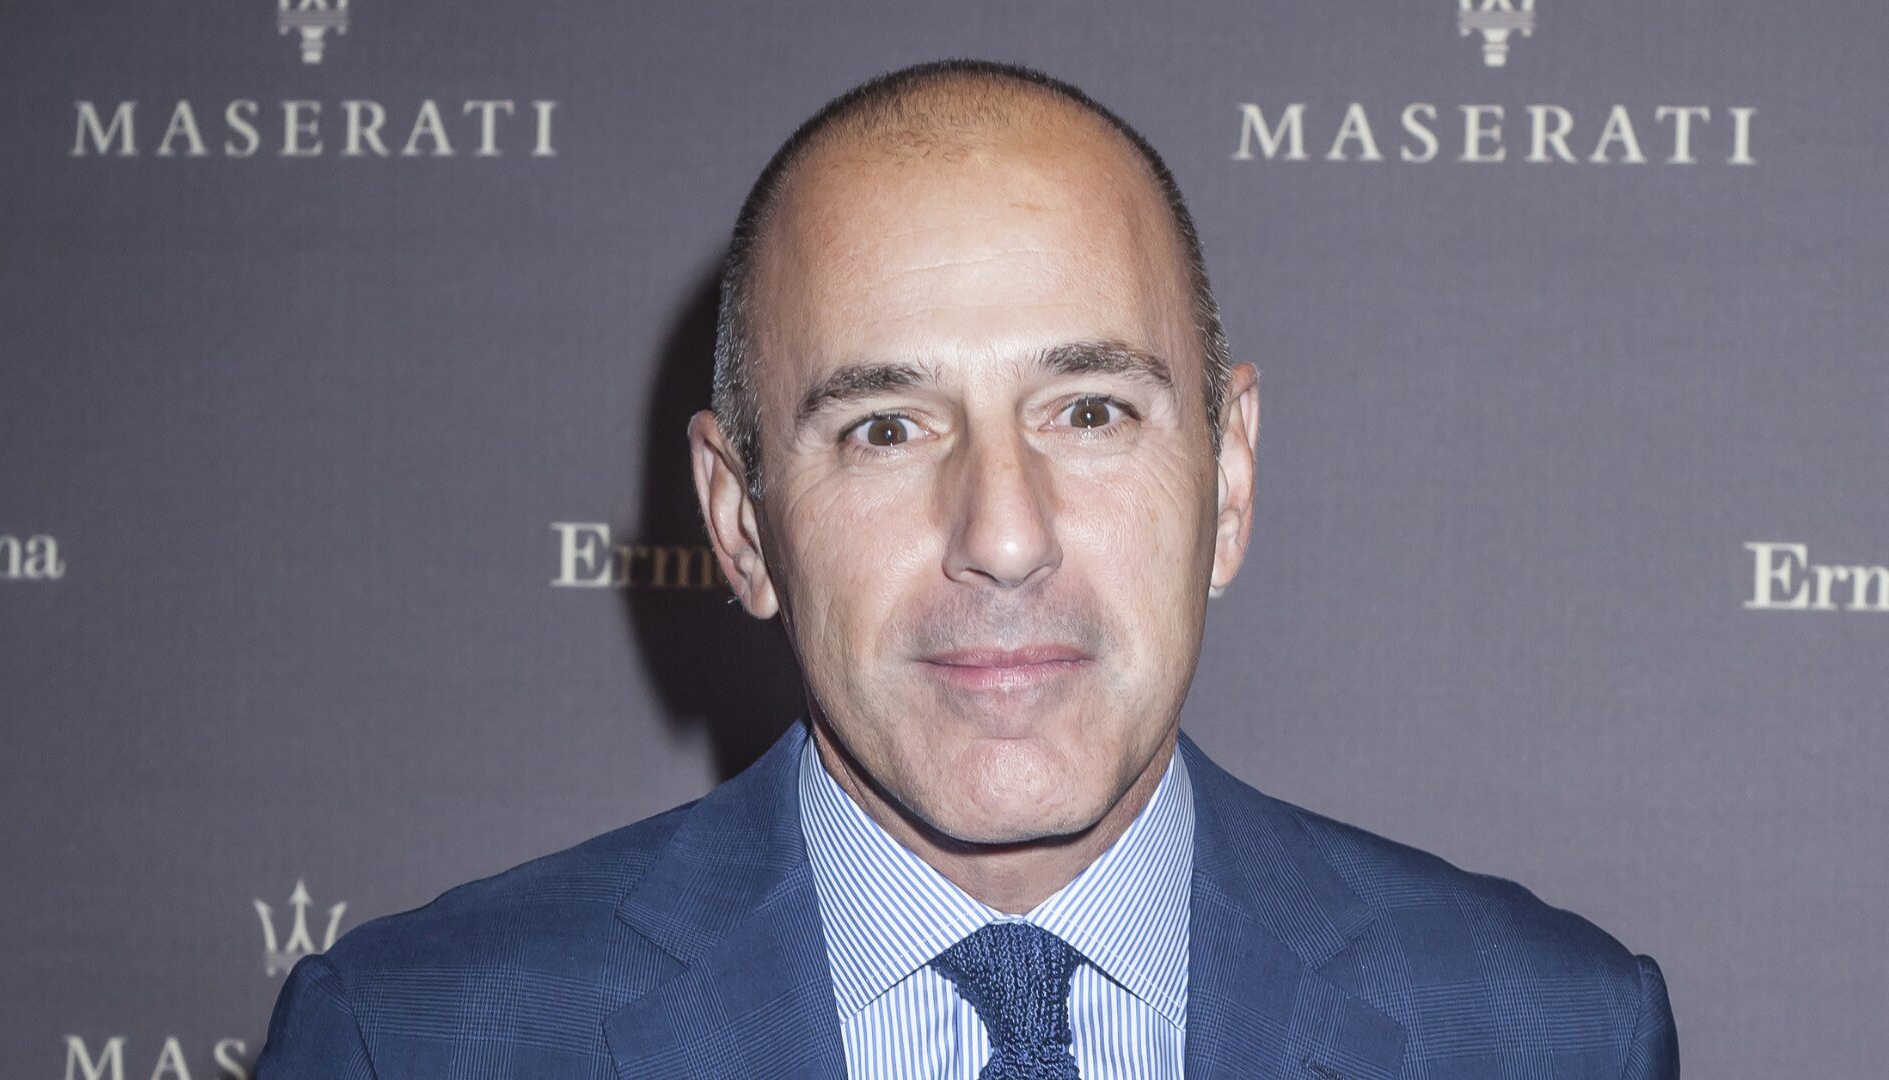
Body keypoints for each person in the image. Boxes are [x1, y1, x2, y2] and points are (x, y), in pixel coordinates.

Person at [256, 60, 1677, 1079]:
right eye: (885, 427)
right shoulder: (413, 1042)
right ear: (741, 522)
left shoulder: (1555, 1037)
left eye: (1091, 411)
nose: (1003, 532)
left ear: (1230, 476)